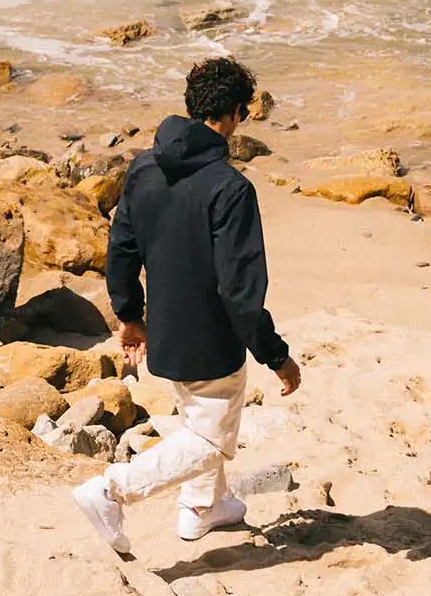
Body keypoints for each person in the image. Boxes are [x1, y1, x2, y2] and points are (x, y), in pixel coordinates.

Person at [73, 54, 300, 557]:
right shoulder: (230, 188)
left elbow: (122, 247)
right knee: (212, 440)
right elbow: (240, 292)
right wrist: (275, 354)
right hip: (211, 343)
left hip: (165, 334)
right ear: (237, 114)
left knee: (198, 419)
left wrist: (131, 315)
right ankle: (111, 491)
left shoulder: (144, 167)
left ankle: (204, 507)